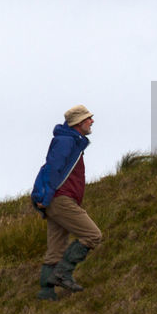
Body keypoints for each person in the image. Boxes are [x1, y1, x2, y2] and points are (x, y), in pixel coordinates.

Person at [30, 105, 103, 300]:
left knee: (55, 249)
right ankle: (63, 274)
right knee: (93, 235)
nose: (92, 121)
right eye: (89, 118)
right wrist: (46, 199)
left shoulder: (71, 141)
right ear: (79, 123)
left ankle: (46, 293)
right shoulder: (66, 141)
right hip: (61, 201)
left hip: (57, 201)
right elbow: (53, 170)